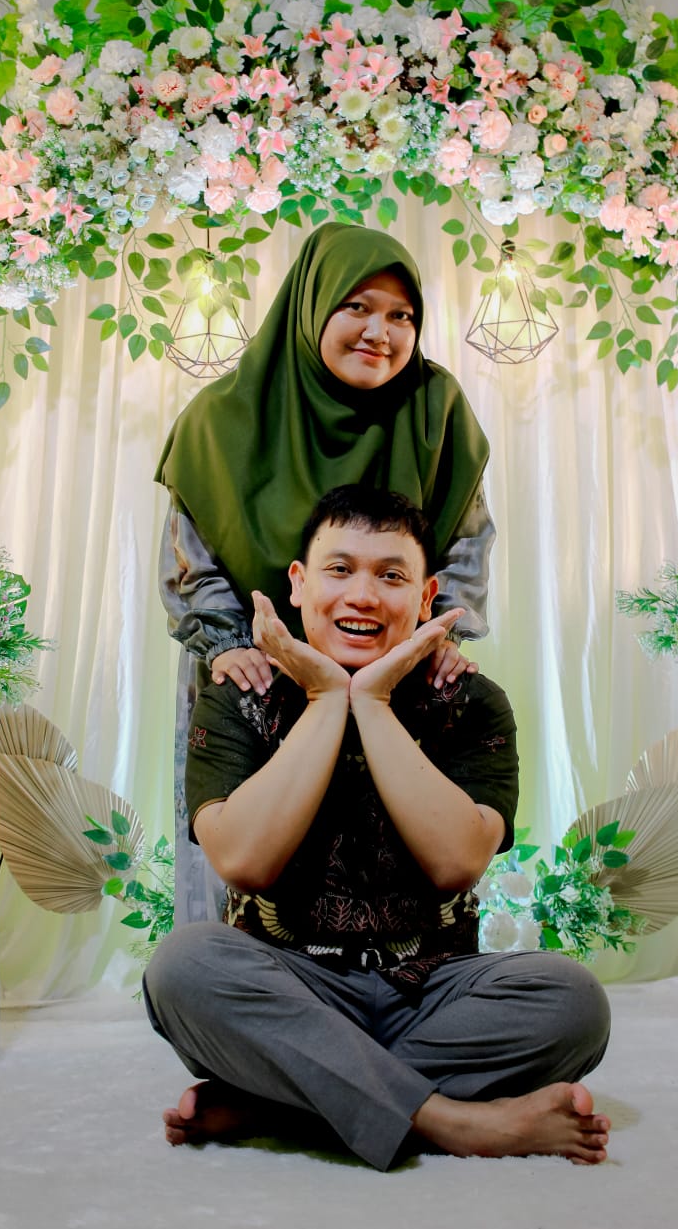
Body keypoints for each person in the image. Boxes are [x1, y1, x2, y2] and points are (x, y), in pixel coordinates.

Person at [143, 486, 612, 1170]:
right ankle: (453, 1121)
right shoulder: (240, 692)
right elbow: (243, 861)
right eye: (339, 569)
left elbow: (456, 864)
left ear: (425, 598)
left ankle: (284, 1100)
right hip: (293, 988)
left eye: (391, 576)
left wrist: (374, 701)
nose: (362, 595)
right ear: (298, 584)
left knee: (574, 1002)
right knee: (184, 966)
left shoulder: (470, 701)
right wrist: (324, 695)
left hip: (431, 989)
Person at [156, 223, 496, 923]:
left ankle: (409, 985)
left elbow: (467, 539)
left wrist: (435, 639)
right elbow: (192, 557)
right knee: (252, 879)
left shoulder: (434, 407)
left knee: (401, 872)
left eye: (401, 315)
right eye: (357, 307)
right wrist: (231, 647)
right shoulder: (222, 417)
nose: (381, 332)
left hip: (396, 676)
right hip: (255, 674)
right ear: (310, 306)